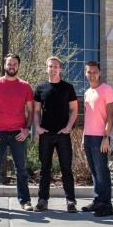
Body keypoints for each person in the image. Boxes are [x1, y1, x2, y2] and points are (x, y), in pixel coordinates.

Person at [0, 54, 34, 212]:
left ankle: (25, 201)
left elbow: (31, 111)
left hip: (19, 133)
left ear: (18, 66)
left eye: (15, 64)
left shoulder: (25, 86)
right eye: (9, 63)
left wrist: (27, 129)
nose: (12, 66)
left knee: (21, 168)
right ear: (5, 65)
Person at [33, 56, 78, 213]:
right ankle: (42, 200)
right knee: (45, 168)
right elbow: (36, 110)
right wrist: (37, 127)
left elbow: (74, 110)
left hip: (63, 135)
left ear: (60, 69)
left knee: (66, 169)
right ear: (47, 68)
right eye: (50, 66)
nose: (53, 69)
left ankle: (71, 201)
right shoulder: (40, 88)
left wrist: (68, 127)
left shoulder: (68, 87)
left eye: (56, 66)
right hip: (45, 134)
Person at [82, 61, 113, 217]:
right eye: (89, 72)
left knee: (102, 171)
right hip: (88, 137)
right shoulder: (88, 92)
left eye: (94, 71)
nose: (92, 74)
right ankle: (97, 201)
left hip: (99, 138)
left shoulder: (107, 90)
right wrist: (83, 137)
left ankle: (106, 205)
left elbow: (111, 116)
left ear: (100, 72)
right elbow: (88, 118)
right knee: (94, 172)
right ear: (86, 73)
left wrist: (106, 137)